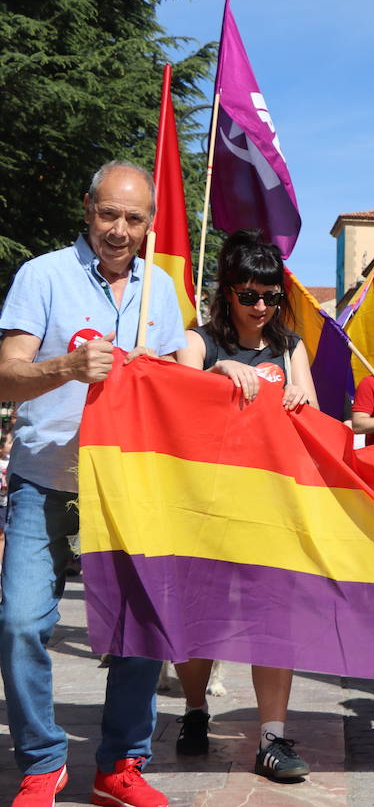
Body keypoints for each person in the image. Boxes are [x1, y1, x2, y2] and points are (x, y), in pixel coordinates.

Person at [0, 161, 185, 807]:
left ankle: (120, 764)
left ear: (149, 224)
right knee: (21, 621)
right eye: (109, 214)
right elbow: (6, 376)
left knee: (142, 628)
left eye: (134, 219)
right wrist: (68, 367)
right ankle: (43, 762)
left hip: (129, 490)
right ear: (87, 209)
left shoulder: (160, 291)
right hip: (44, 478)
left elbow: (177, 382)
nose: (119, 230)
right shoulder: (42, 275)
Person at [171, 230, 318, 782]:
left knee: (273, 621)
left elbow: (313, 423)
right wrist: (213, 374)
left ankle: (272, 739)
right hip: (207, 505)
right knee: (198, 619)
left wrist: (301, 399)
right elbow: (174, 411)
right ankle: (194, 710)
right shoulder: (198, 341)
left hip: (272, 507)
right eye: (249, 294)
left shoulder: (290, 347)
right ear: (226, 292)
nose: (261, 306)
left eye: (271, 295)